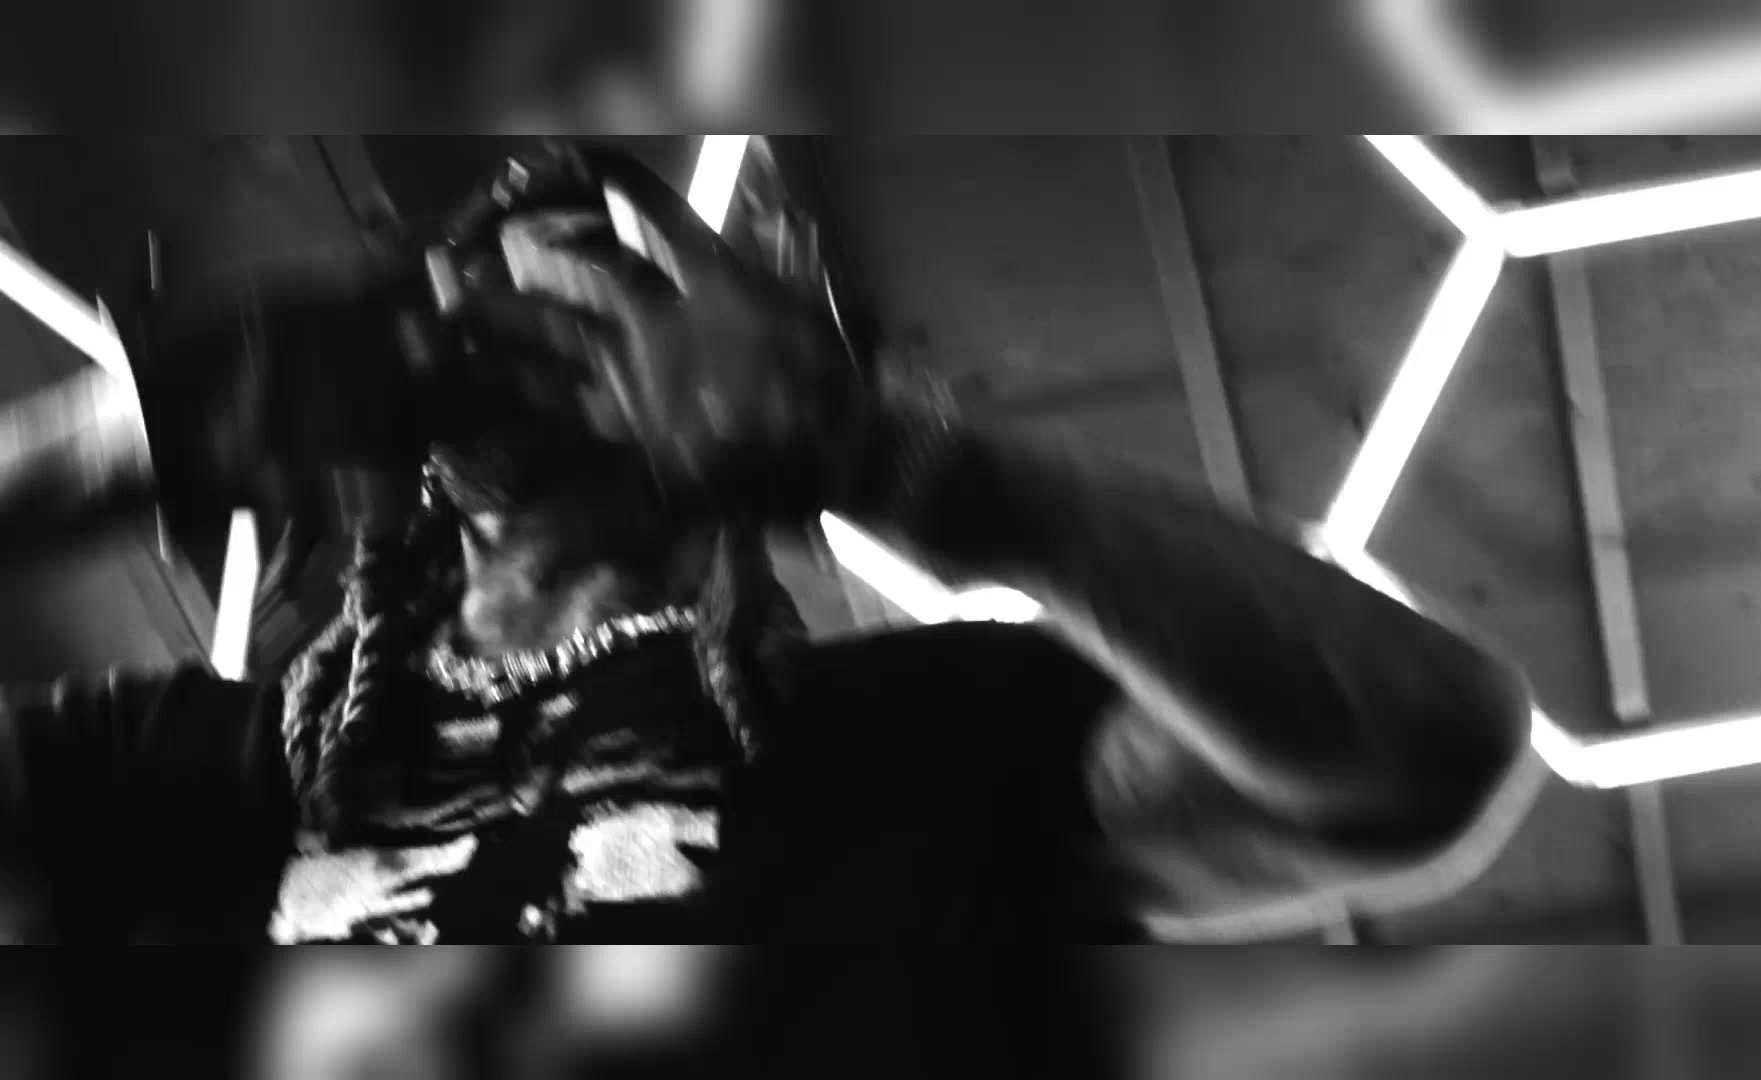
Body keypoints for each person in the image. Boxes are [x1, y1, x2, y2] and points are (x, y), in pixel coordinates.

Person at [0, 141, 1532, 944]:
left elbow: (1420, 757)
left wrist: (904, 465)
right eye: (472, 282)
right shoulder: (191, 773)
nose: (523, 301)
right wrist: (134, 440)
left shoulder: (929, 739)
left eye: (607, 277)